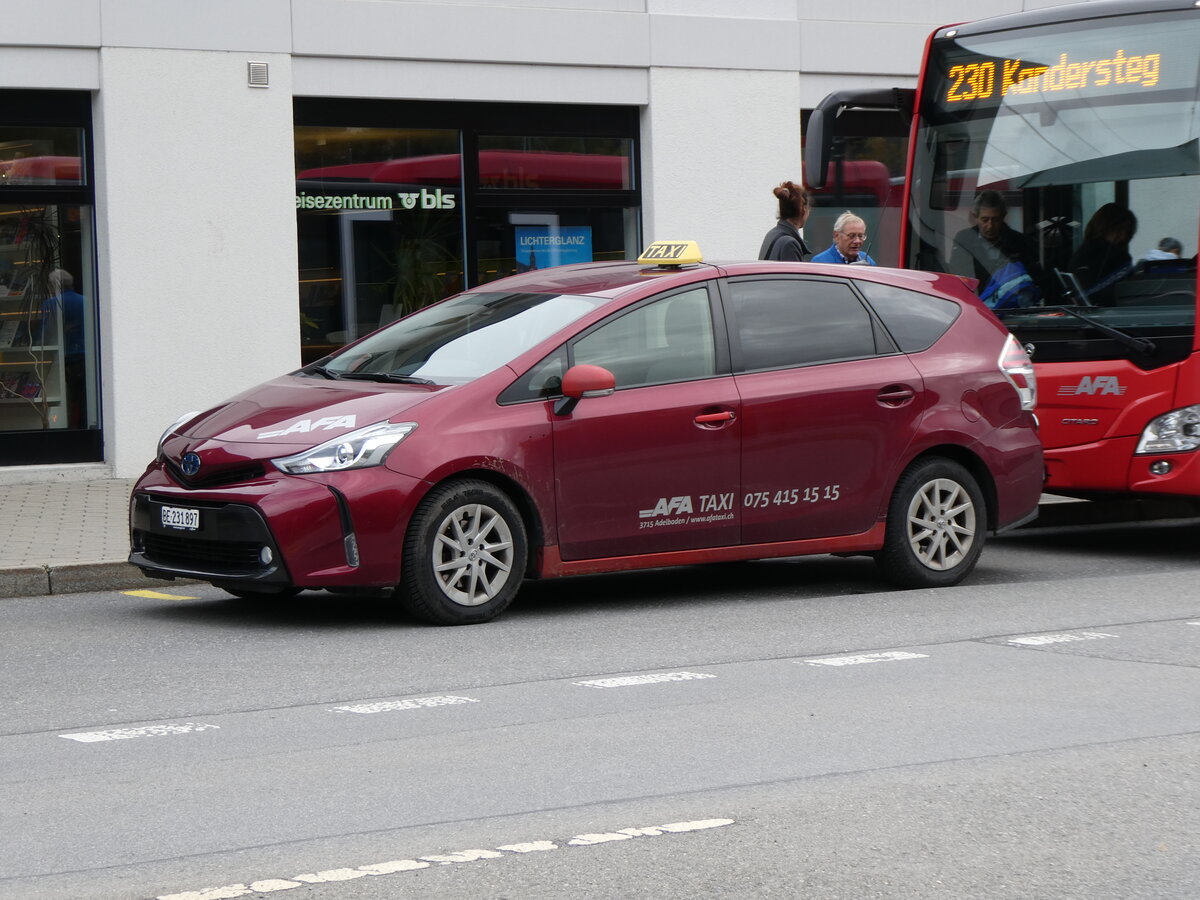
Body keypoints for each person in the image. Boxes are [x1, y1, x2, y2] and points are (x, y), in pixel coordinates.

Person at [949, 190, 1038, 295]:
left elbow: (1032, 279)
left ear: (1003, 216)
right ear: (975, 217)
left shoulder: (1020, 242)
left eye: (995, 220)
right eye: (985, 220)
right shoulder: (963, 240)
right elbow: (957, 276)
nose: (990, 226)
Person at [1069, 203, 1137, 304]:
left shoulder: (1084, 253)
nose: (1123, 237)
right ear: (1107, 227)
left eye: (1127, 232)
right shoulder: (1113, 257)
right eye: (1120, 230)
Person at [758, 180, 811, 261]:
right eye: (809, 209)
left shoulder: (772, 233)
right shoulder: (790, 244)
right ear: (804, 210)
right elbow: (794, 274)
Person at [810, 211, 876, 265]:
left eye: (861, 236)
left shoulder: (868, 261)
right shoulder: (820, 263)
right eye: (851, 236)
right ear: (836, 236)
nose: (857, 241)